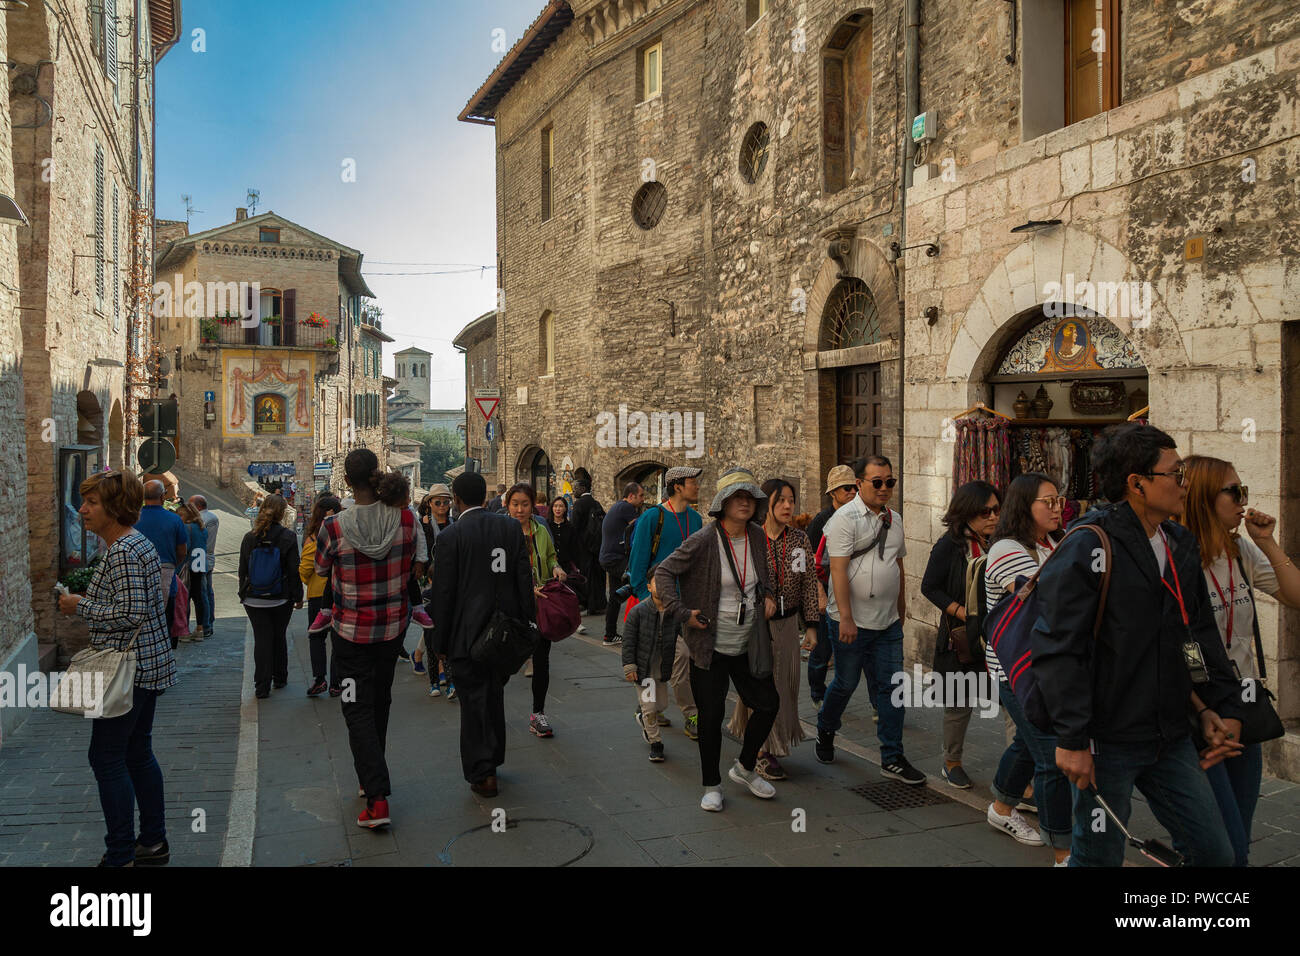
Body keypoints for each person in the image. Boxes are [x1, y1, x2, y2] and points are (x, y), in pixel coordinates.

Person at [1033, 423, 1241, 867]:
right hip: (1106, 742)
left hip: (1171, 735)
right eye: (1176, 474)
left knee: (1215, 854)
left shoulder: (1180, 542)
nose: (1184, 485)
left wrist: (1211, 706)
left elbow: (1194, 634)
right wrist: (1072, 739)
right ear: (1137, 484)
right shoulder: (1090, 545)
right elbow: (1058, 647)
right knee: (1098, 856)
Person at [1180, 455, 1300, 866]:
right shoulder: (1177, 559)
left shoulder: (1239, 550)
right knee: (1221, 848)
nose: (1243, 500)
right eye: (1234, 491)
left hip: (1243, 709)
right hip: (1201, 714)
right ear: (1201, 497)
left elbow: (1296, 596)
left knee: (1238, 844)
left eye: (1242, 490)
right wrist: (1212, 708)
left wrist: (1267, 541)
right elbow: (1183, 646)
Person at [57, 469, 175, 867]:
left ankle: (121, 852)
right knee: (137, 753)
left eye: (91, 503)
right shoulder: (135, 544)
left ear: (114, 508)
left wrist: (80, 606)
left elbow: (131, 612)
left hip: (127, 671)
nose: (83, 509)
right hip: (147, 664)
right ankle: (154, 842)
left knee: (106, 758)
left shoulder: (123, 551)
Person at [655, 467, 781, 811]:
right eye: (737, 497)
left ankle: (743, 767)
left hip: (747, 643)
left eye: (749, 497)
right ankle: (711, 784)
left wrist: (768, 594)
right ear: (722, 503)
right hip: (709, 645)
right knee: (710, 717)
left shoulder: (756, 536)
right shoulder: (705, 539)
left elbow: (763, 574)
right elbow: (664, 572)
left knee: (768, 703)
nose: (744, 502)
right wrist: (682, 613)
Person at [315, 450, 417, 829]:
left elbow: (322, 570)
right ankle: (368, 776)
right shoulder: (407, 519)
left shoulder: (334, 527)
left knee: (354, 707)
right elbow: (413, 567)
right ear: (376, 474)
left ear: (346, 479)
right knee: (380, 701)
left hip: (350, 634)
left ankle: (376, 798)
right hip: (392, 630)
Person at [815, 455, 925, 784]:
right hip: (849, 621)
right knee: (846, 683)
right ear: (860, 483)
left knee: (892, 688)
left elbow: (898, 566)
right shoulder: (843, 520)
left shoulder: (896, 520)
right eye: (876, 482)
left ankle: (892, 756)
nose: (884, 488)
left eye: (889, 481)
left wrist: (902, 607)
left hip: (887, 622)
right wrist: (846, 618)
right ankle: (825, 727)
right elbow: (837, 570)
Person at [430, 471, 537, 797]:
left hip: (466, 635)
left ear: (457, 499)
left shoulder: (451, 537)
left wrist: (440, 643)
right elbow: (523, 579)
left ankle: (483, 770)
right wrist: (526, 624)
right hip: (503, 632)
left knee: (473, 704)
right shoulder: (509, 528)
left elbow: (443, 595)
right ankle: (492, 759)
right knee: (493, 696)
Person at [982, 474, 1071, 860]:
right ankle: (1064, 851)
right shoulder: (1006, 549)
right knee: (1051, 757)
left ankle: (1001, 808)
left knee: (1026, 741)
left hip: (1047, 667)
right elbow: (1044, 597)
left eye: (1058, 500)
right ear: (1024, 506)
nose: (1057, 508)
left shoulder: (1052, 543)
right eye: (1047, 502)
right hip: (1016, 671)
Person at [726, 478, 819, 780]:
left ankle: (770, 743)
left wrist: (812, 627)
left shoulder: (800, 540)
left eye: (791, 500)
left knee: (786, 685)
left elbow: (807, 585)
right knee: (762, 684)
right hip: (756, 626)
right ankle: (763, 751)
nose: (788, 506)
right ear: (767, 503)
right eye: (781, 500)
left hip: (788, 624)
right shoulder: (751, 538)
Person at [921, 481, 1000, 791]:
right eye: (985, 511)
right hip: (960, 638)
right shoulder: (949, 546)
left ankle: (1021, 777)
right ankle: (951, 762)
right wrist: (961, 611)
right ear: (967, 513)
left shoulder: (1001, 543)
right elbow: (929, 586)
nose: (993, 516)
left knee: (1009, 703)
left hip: (996, 637)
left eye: (996, 509)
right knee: (959, 703)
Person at [627, 466, 704, 739]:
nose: (697, 486)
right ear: (677, 487)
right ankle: (662, 711)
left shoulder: (696, 520)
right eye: (692, 482)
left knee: (679, 660)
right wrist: (650, 602)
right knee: (657, 663)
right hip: (657, 606)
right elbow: (636, 567)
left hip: (686, 607)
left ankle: (673, 711)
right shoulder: (652, 518)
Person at [506, 482, 567, 737]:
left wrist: (556, 567)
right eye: (515, 504)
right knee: (504, 661)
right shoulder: (502, 532)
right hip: (511, 607)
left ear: (533, 506)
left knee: (542, 661)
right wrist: (524, 589)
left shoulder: (540, 530)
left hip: (540, 604)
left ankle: (538, 713)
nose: (520, 509)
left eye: (525, 504)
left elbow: (551, 555)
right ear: (507, 505)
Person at [238, 495, 303, 699]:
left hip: (253, 598)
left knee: (262, 638)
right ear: (283, 513)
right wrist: (298, 595)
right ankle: (280, 677)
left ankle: (261, 685)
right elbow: (294, 571)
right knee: (278, 635)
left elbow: (243, 570)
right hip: (280, 597)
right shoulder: (288, 537)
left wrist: (243, 592)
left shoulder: (249, 537)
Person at [806, 466, 858, 704]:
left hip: (853, 593)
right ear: (833, 493)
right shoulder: (821, 522)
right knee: (822, 651)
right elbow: (809, 562)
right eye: (846, 488)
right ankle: (817, 694)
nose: (852, 492)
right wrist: (819, 594)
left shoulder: (860, 516)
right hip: (827, 590)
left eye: (854, 487)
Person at [622, 574, 678, 762]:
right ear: (649, 587)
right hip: (643, 669)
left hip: (662, 668)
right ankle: (656, 743)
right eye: (657, 583)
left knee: (662, 705)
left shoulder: (673, 612)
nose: (662, 587)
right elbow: (628, 642)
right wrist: (630, 666)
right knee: (651, 708)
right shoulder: (638, 612)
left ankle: (643, 714)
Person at [134, 480, 188, 650]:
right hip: (166, 576)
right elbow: (182, 551)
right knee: (165, 623)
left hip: (137, 579)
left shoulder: (133, 519)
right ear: (163, 496)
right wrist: (171, 565)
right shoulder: (174, 520)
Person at [414, 486, 457, 697]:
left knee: (443, 622)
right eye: (437, 502)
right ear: (429, 504)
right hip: (429, 580)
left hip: (449, 578)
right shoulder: (423, 526)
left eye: (445, 502)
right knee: (432, 622)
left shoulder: (454, 524)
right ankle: (436, 666)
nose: (442, 506)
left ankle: (423, 655)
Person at [300, 494, 342, 697]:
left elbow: (306, 569)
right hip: (340, 591)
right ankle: (336, 683)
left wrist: (310, 581)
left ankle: (320, 679)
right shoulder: (343, 532)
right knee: (338, 639)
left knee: (316, 636)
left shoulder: (313, 538)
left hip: (318, 594)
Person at [599, 482, 645, 646]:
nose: (643, 499)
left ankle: (609, 635)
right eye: (641, 496)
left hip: (609, 557)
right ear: (631, 496)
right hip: (616, 558)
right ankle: (639, 632)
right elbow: (642, 528)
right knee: (639, 584)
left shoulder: (618, 506)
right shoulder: (626, 508)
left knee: (615, 596)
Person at [569, 480, 607, 615]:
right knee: (598, 575)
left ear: (583, 488)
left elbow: (574, 526)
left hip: (583, 546)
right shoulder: (596, 503)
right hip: (597, 545)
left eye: (575, 488)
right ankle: (600, 604)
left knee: (586, 576)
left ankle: (588, 604)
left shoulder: (579, 504)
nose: (573, 491)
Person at [176, 502, 209, 643]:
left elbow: (185, 548)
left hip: (188, 566)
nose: (178, 518)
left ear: (187, 515)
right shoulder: (202, 529)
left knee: (185, 598)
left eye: (180, 515)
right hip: (200, 566)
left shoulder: (186, 527)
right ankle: (200, 628)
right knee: (199, 598)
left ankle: (185, 631)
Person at [188, 495, 218, 639]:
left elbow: (204, 544)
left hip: (202, 559)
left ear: (197, 506)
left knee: (203, 593)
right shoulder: (208, 518)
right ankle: (208, 623)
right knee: (206, 592)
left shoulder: (205, 519)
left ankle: (206, 625)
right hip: (204, 559)